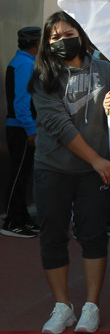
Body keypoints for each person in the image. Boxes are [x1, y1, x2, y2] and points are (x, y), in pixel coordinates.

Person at [29, 12, 110, 334]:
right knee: (53, 237)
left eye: (67, 33)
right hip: (53, 168)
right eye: (54, 37)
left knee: (94, 236)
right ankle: (62, 307)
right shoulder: (43, 75)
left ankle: (91, 306)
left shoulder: (104, 70)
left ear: (81, 36)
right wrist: (97, 159)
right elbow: (58, 124)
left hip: (92, 174)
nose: (61, 41)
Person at [3, 26, 41, 238]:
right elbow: (21, 102)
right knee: (19, 175)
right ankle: (11, 222)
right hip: (20, 129)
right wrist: (31, 130)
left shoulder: (25, 62)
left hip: (21, 128)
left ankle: (21, 217)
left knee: (22, 175)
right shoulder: (25, 64)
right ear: (36, 43)